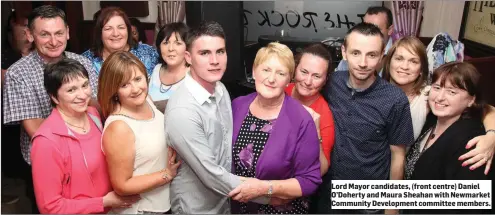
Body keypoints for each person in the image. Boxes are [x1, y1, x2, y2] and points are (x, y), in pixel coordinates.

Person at [164, 21, 273, 214]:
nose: (215, 60)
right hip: (196, 209)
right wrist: (271, 195)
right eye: (204, 53)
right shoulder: (183, 110)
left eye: (220, 51)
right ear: (188, 58)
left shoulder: (220, 88)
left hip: (224, 202)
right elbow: (211, 175)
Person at [2, 5, 99, 213]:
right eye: (45, 34)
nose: (54, 41)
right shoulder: (19, 73)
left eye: (59, 33)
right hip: (47, 166)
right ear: (30, 35)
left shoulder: (82, 62)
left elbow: (96, 107)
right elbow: (35, 129)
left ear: (68, 32)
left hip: (91, 160)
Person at [316, 22, 414, 214]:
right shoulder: (331, 83)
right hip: (327, 193)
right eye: (355, 53)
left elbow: (398, 156)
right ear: (344, 52)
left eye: (371, 55)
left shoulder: (395, 99)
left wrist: (392, 207)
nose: (362, 63)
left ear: (381, 57)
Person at [31, 58, 139, 214]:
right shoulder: (46, 141)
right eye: (71, 90)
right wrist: (103, 202)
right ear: (54, 97)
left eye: (84, 85)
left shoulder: (93, 115)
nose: (82, 95)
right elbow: (50, 207)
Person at [230, 42, 321, 214]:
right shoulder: (237, 106)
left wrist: (265, 188)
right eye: (265, 70)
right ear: (254, 71)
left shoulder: (301, 120)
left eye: (280, 73)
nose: (271, 79)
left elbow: (310, 181)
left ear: (289, 80)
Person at [382, 36, 495, 173]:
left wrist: (491, 136)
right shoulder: (376, 91)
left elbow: (487, 108)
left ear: (422, 69)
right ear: (388, 62)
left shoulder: (430, 95)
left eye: (413, 61)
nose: (404, 66)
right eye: (399, 58)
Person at [98, 51, 180, 214]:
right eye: (124, 85)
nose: (135, 89)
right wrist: (166, 174)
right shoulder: (119, 127)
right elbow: (122, 185)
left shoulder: (146, 100)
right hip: (142, 209)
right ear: (114, 90)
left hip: (162, 203)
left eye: (137, 79)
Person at [404, 62, 492, 214]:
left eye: (452, 92)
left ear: (471, 100)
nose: (440, 97)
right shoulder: (432, 119)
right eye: (437, 88)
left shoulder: (472, 143)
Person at [285, 43, 335, 175]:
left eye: (316, 76)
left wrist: (316, 131)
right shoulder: (280, 91)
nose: (308, 81)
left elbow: (322, 169)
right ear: (295, 69)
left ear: (325, 80)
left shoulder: (324, 114)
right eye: (304, 72)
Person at [1, 9, 33, 205]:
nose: (25, 33)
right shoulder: (6, 56)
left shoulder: (45, 56)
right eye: (22, 28)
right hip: (13, 121)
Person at [82, 7, 158, 75]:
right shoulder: (86, 61)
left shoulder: (149, 53)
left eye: (121, 27)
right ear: (100, 33)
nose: (116, 34)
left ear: (128, 31)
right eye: (108, 29)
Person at [336, 6, 394, 76]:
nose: (368, 33)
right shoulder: (352, 49)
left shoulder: (399, 52)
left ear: (390, 30)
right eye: (364, 27)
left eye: (376, 30)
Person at [148, 22, 189, 112]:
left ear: (187, 47)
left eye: (177, 43)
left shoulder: (194, 76)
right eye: (166, 43)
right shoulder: (157, 69)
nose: (170, 48)